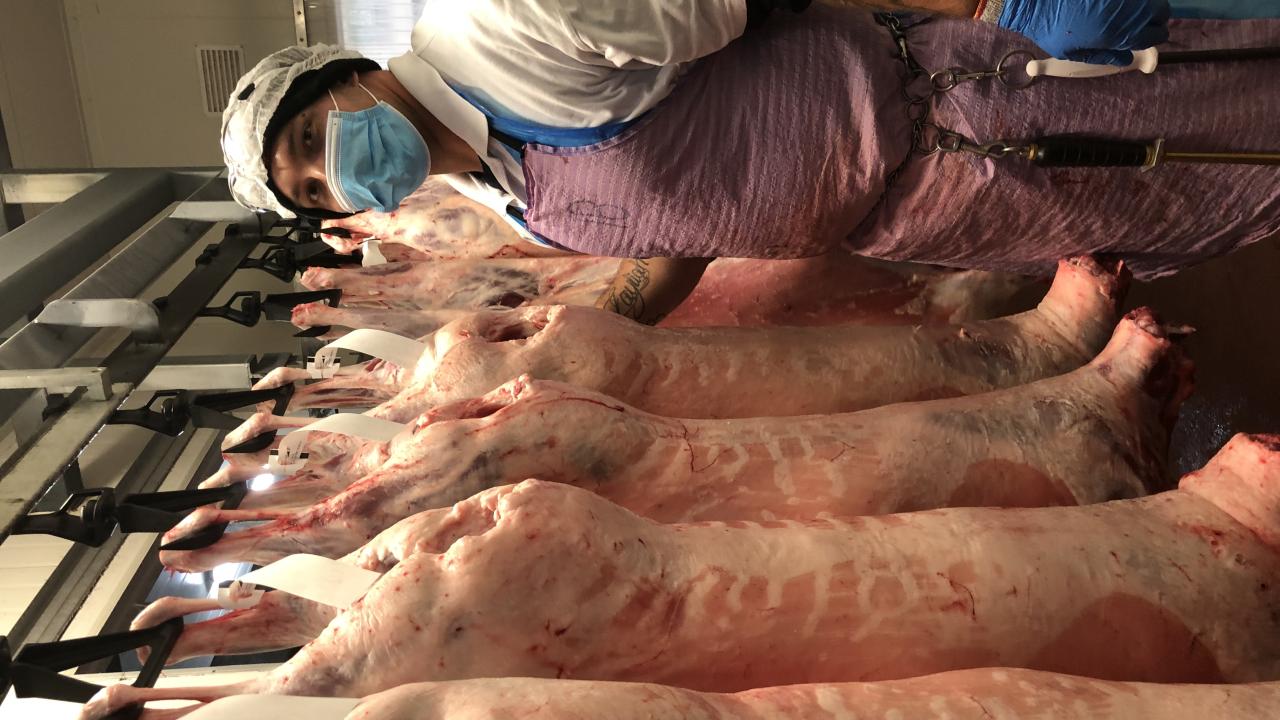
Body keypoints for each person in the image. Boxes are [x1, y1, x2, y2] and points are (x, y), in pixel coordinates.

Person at [221, 0, 1279, 324]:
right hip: (940, 219)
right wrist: (581, 338)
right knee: (1207, 203)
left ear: (343, 76)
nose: (340, 175)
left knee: (1229, 111)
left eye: (315, 140)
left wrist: (968, 9)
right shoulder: (505, 195)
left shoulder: (519, 31)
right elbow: (684, 235)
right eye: (315, 191)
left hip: (969, 105)